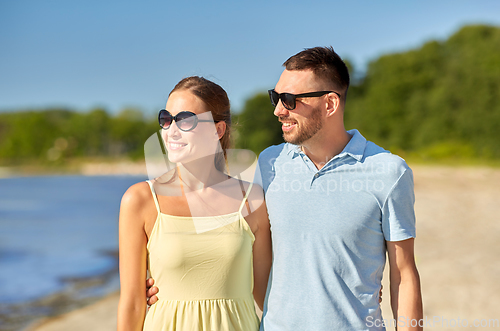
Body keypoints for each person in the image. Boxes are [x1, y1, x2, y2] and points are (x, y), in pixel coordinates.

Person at [148, 47, 423, 330]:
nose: (279, 110)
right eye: (276, 98)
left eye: (290, 100)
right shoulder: (270, 162)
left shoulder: (388, 172)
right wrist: (164, 280)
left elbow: (403, 275)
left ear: (330, 104)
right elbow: (237, 242)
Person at [117, 76, 272, 331]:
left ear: (217, 130)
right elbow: (132, 304)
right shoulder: (140, 200)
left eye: (185, 120)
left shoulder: (253, 199)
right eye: (166, 119)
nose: (171, 130)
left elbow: (267, 296)